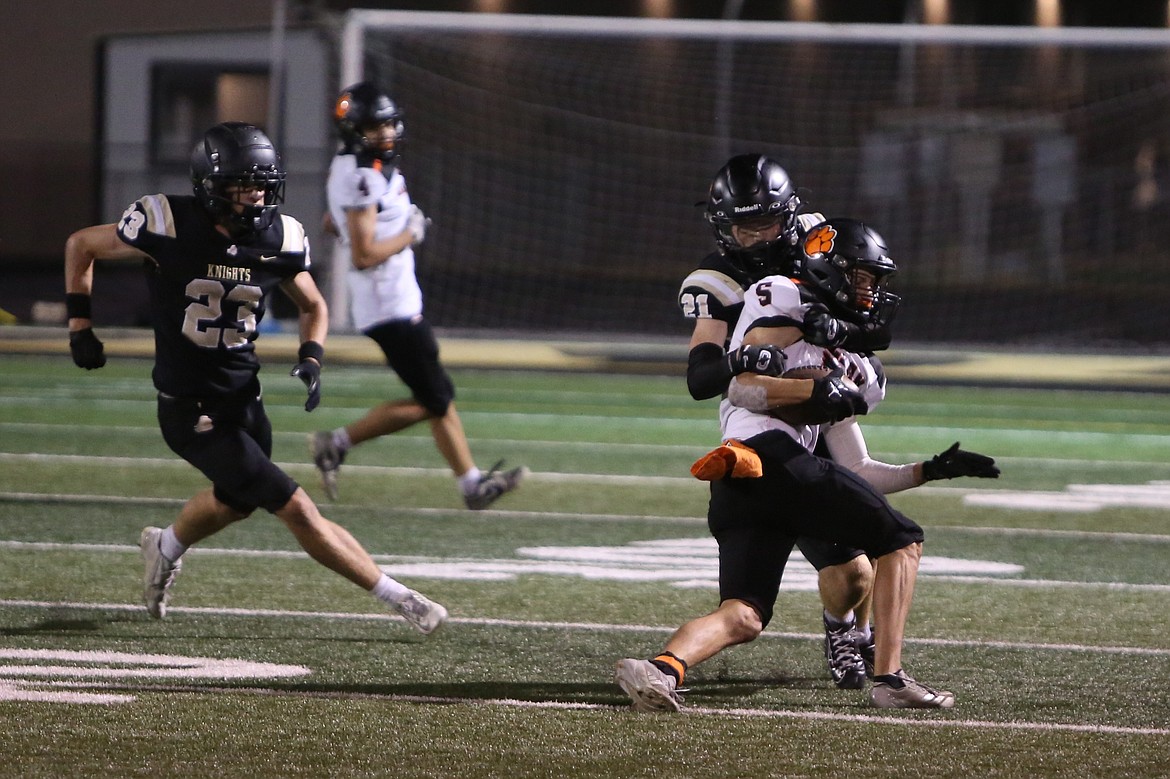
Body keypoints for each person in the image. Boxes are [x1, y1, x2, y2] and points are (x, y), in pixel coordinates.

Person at [64, 121, 447, 635]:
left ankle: (166, 546)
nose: (257, 196)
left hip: (245, 399)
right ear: (210, 188)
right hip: (189, 407)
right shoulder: (166, 221)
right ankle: (401, 598)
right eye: (243, 185)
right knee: (297, 507)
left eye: (264, 184)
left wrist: (312, 355)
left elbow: (313, 304)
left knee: (236, 501)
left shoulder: (281, 236)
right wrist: (80, 326)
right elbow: (81, 244)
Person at [617, 217, 999, 711]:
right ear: (831, 270)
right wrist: (810, 389)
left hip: (743, 481)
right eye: (862, 277)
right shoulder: (782, 294)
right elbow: (741, 387)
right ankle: (890, 679)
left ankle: (661, 669)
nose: (871, 290)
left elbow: (858, 467)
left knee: (744, 616)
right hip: (770, 457)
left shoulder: (847, 360)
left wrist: (927, 469)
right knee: (902, 541)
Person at [678, 153, 886, 689]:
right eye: (743, 229)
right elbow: (701, 378)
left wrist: (840, 335)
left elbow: (875, 321)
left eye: (766, 223)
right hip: (768, 413)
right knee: (765, 592)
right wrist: (742, 358)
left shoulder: (823, 240)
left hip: (826, 393)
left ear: (790, 214)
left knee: (857, 567)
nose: (757, 239)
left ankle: (845, 626)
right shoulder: (717, 279)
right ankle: (842, 628)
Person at [310, 82, 527, 509]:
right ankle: (336, 442)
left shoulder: (360, 169)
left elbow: (329, 223)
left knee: (436, 397)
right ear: (355, 130)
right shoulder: (360, 177)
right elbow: (364, 254)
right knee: (436, 399)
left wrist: (374, 226)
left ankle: (471, 485)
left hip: (394, 301)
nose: (387, 132)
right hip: (389, 307)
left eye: (390, 123)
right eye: (376, 126)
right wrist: (409, 234)